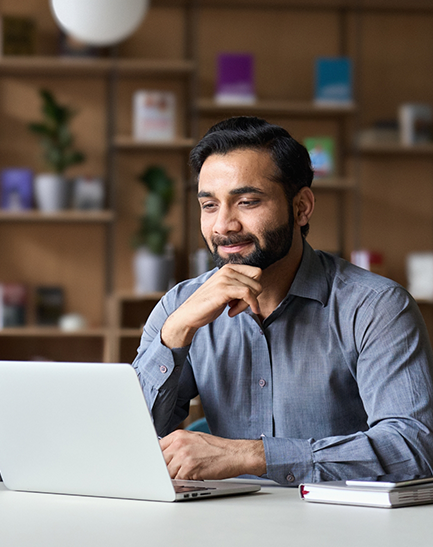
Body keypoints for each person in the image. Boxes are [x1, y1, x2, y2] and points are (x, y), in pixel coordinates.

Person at [132, 116, 433, 486]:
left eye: (247, 201)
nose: (223, 225)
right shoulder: (180, 306)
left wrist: (253, 455)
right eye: (209, 205)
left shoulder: (376, 307)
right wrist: (175, 333)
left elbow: (414, 447)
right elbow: (125, 445)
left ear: (301, 207)